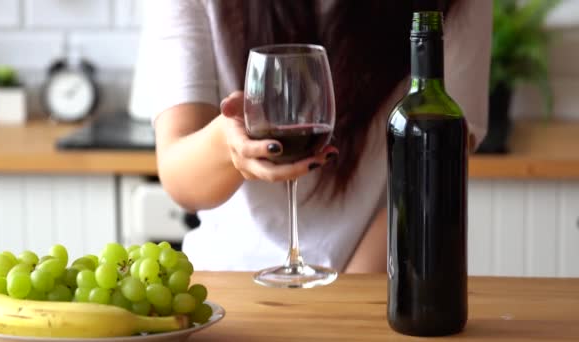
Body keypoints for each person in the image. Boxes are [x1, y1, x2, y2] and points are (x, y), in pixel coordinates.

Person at [142, 0, 492, 273]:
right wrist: (228, 142)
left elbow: (430, 177)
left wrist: (345, 304)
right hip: (231, 290)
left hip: (378, 286)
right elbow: (180, 177)